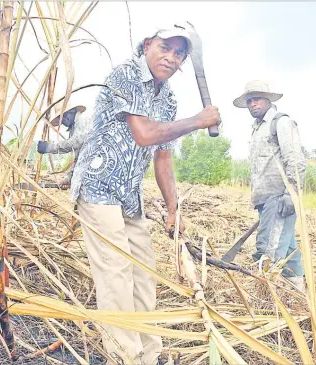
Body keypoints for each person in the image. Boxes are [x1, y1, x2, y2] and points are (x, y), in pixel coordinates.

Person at [69, 24, 221, 365]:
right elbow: (144, 134)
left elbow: (163, 157)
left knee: (144, 274)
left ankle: (149, 356)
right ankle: (124, 357)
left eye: (179, 53)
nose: (171, 57)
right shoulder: (125, 74)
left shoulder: (167, 98)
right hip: (98, 186)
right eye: (165, 47)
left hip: (129, 195)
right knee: (116, 274)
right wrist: (198, 121)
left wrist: (173, 208)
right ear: (148, 44)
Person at [232, 80, 307, 292]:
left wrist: (290, 194)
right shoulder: (257, 128)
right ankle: (299, 296)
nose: (253, 104)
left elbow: (295, 159)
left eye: (257, 99)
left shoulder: (281, 123)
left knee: (268, 250)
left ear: (268, 99)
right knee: (289, 249)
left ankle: (265, 299)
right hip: (265, 200)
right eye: (249, 101)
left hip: (279, 198)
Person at [36, 104, 88, 189]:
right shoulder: (73, 129)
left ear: (72, 111)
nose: (63, 121)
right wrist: (68, 178)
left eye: (63, 117)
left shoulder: (82, 119)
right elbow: (77, 158)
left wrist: (50, 147)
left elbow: (76, 142)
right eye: (60, 119)